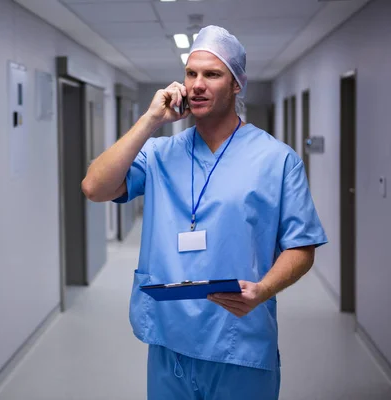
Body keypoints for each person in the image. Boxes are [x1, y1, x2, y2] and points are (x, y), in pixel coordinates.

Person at [81, 25, 328, 399]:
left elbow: (301, 247)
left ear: (236, 85)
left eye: (212, 74)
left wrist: (263, 289)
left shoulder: (277, 160)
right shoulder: (160, 153)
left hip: (238, 341)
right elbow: (94, 187)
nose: (197, 84)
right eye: (191, 73)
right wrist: (150, 122)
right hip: (169, 341)